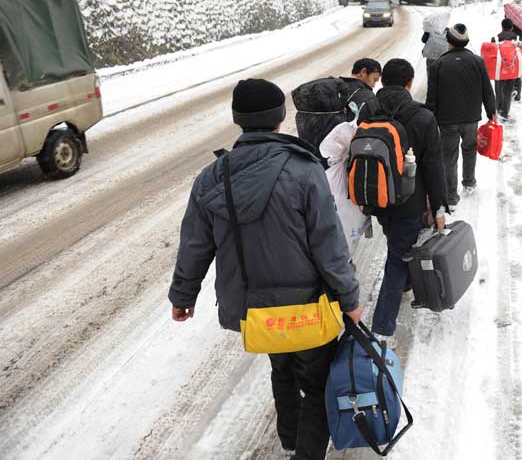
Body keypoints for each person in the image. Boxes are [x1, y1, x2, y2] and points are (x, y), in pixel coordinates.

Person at [168, 78, 362, 460]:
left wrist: (182, 295)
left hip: (256, 308)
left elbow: (195, 244)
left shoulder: (213, 177)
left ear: (239, 120)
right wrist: (350, 297)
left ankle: (290, 438)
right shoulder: (305, 171)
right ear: (279, 119)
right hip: (307, 304)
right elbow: (329, 244)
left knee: (282, 369)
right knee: (318, 382)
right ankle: (304, 452)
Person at [358, 58, 448, 339]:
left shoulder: (368, 109)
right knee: (396, 261)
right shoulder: (422, 117)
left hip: (376, 197)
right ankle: (382, 330)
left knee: (398, 244)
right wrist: (440, 206)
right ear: (409, 83)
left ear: (383, 81)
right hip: (410, 201)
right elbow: (434, 165)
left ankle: (407, 285)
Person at [426, 23, 496, 206]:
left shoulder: (438, 63)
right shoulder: (477, 62)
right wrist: (491, 112)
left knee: (449, 155)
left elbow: (431, 96)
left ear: (449, 41)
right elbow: (487, 90)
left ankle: (450, 195)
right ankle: (469, 182)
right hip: (471, 117)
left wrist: (429, 117)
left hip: (446, 119)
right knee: (469, 149)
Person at [494, 18, 520, 120]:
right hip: (511, 69)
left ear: (502, 26)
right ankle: (505, 113)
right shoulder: (516, 38)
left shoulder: (495, 38)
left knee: (498, 90)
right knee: (508, 91)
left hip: (499, 68)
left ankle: (498, 109)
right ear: (512, 27)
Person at [510, 23, 522, 102]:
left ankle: (513, 91)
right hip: (520, 52)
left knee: (512, 73)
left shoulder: (512, 26)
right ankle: (518, 95)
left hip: (512, 52)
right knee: (518, 75)